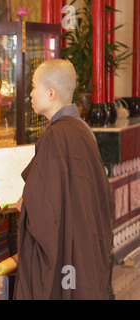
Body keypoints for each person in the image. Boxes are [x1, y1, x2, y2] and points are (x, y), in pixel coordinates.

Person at [14, 59, 114, 300]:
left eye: (34, 87)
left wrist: (25, 203)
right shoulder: (82, 129)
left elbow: (44, 206)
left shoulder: (55, 136)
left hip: (68, 244)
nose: (30, 93)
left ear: (51, 93)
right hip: (85, 242)